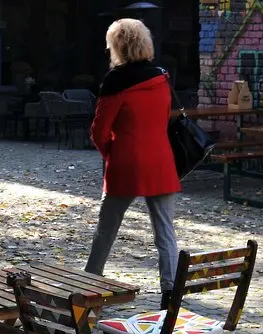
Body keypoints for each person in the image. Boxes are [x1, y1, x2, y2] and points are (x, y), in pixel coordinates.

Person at [84, 18, 180, 308]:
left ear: (116, 45)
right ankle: (171, 290)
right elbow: (163, 119)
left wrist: (112, 153)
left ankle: (90, 282)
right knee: (165, 230)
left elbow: (99, 132)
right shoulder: (162, 77)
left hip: (126, 162)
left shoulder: (115, 81)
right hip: (161, 159)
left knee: (107, 227)